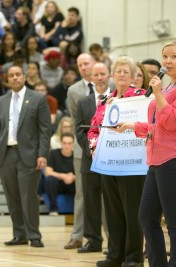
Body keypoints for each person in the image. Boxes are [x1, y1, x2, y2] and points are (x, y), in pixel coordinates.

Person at [115, 41, 176, 267]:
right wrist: (132, 126)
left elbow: (173, 122)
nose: (167, 61)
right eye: (165, 56)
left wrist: (159, 94)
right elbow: (158, 126)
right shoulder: (168, 86)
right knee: (146, 217)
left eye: (174, 56)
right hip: (156, 158)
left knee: (174, 221)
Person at [88, 57, 146, 266]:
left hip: (132, 162)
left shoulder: (141, 97)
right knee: (112, 210)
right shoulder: (105, 101)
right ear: (113, 75)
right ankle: (115, 254)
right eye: (118, 71)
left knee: (132, 210)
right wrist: (94, 148)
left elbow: (146, 125)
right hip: (108, 160)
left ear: (133, 76)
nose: (121, 74)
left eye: (125, 71)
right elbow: (94, 128)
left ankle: (133, 256)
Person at [0, 65, 50, 248]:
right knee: (12, 197)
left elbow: (45, 130)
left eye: (18, 74)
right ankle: (19, 234)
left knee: (29, 197)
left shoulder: (38, 99)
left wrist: (42, 154)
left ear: (24, 77)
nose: (15, 78)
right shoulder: (0, 101)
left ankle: (34, 235)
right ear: (7, 80)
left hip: (29, 155)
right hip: (6, 154)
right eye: (11, 75)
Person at [76, 62, 110, 254]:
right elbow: (79, 130)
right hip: (90, 159)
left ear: (109, 76)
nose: (99, 77)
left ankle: (113, 240)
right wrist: (93, 150)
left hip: (111, 159)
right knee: (91, 202)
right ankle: (93, 240)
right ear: (91, 78)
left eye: (103, 74)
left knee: (112, 202)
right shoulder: (83, 103)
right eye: (96, 74)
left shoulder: (117, 100)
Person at [64, 53, 95, 250]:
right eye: (80, 64)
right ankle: (77, 234)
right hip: (81, 147)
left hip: (107, 147)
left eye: (87, 63)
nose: (84, 67)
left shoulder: (108, 83)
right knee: (81, 193)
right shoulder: (73, 90)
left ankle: (108, 234)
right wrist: (85, 143)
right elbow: (76, 120)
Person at [44, 132, 75, 216]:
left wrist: (73, 178)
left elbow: (80, 174)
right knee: (49, 180)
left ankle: (82, 211)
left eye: (69, 143)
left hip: (72, 184)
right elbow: (48, 172)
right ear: (61, 143)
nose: (67, 146)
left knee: (83, 182)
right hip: (58, 184)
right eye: (64, 143)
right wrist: (63, 176)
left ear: (73, 144)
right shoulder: (53, 154)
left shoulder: (76, 156)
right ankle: (53, 209)